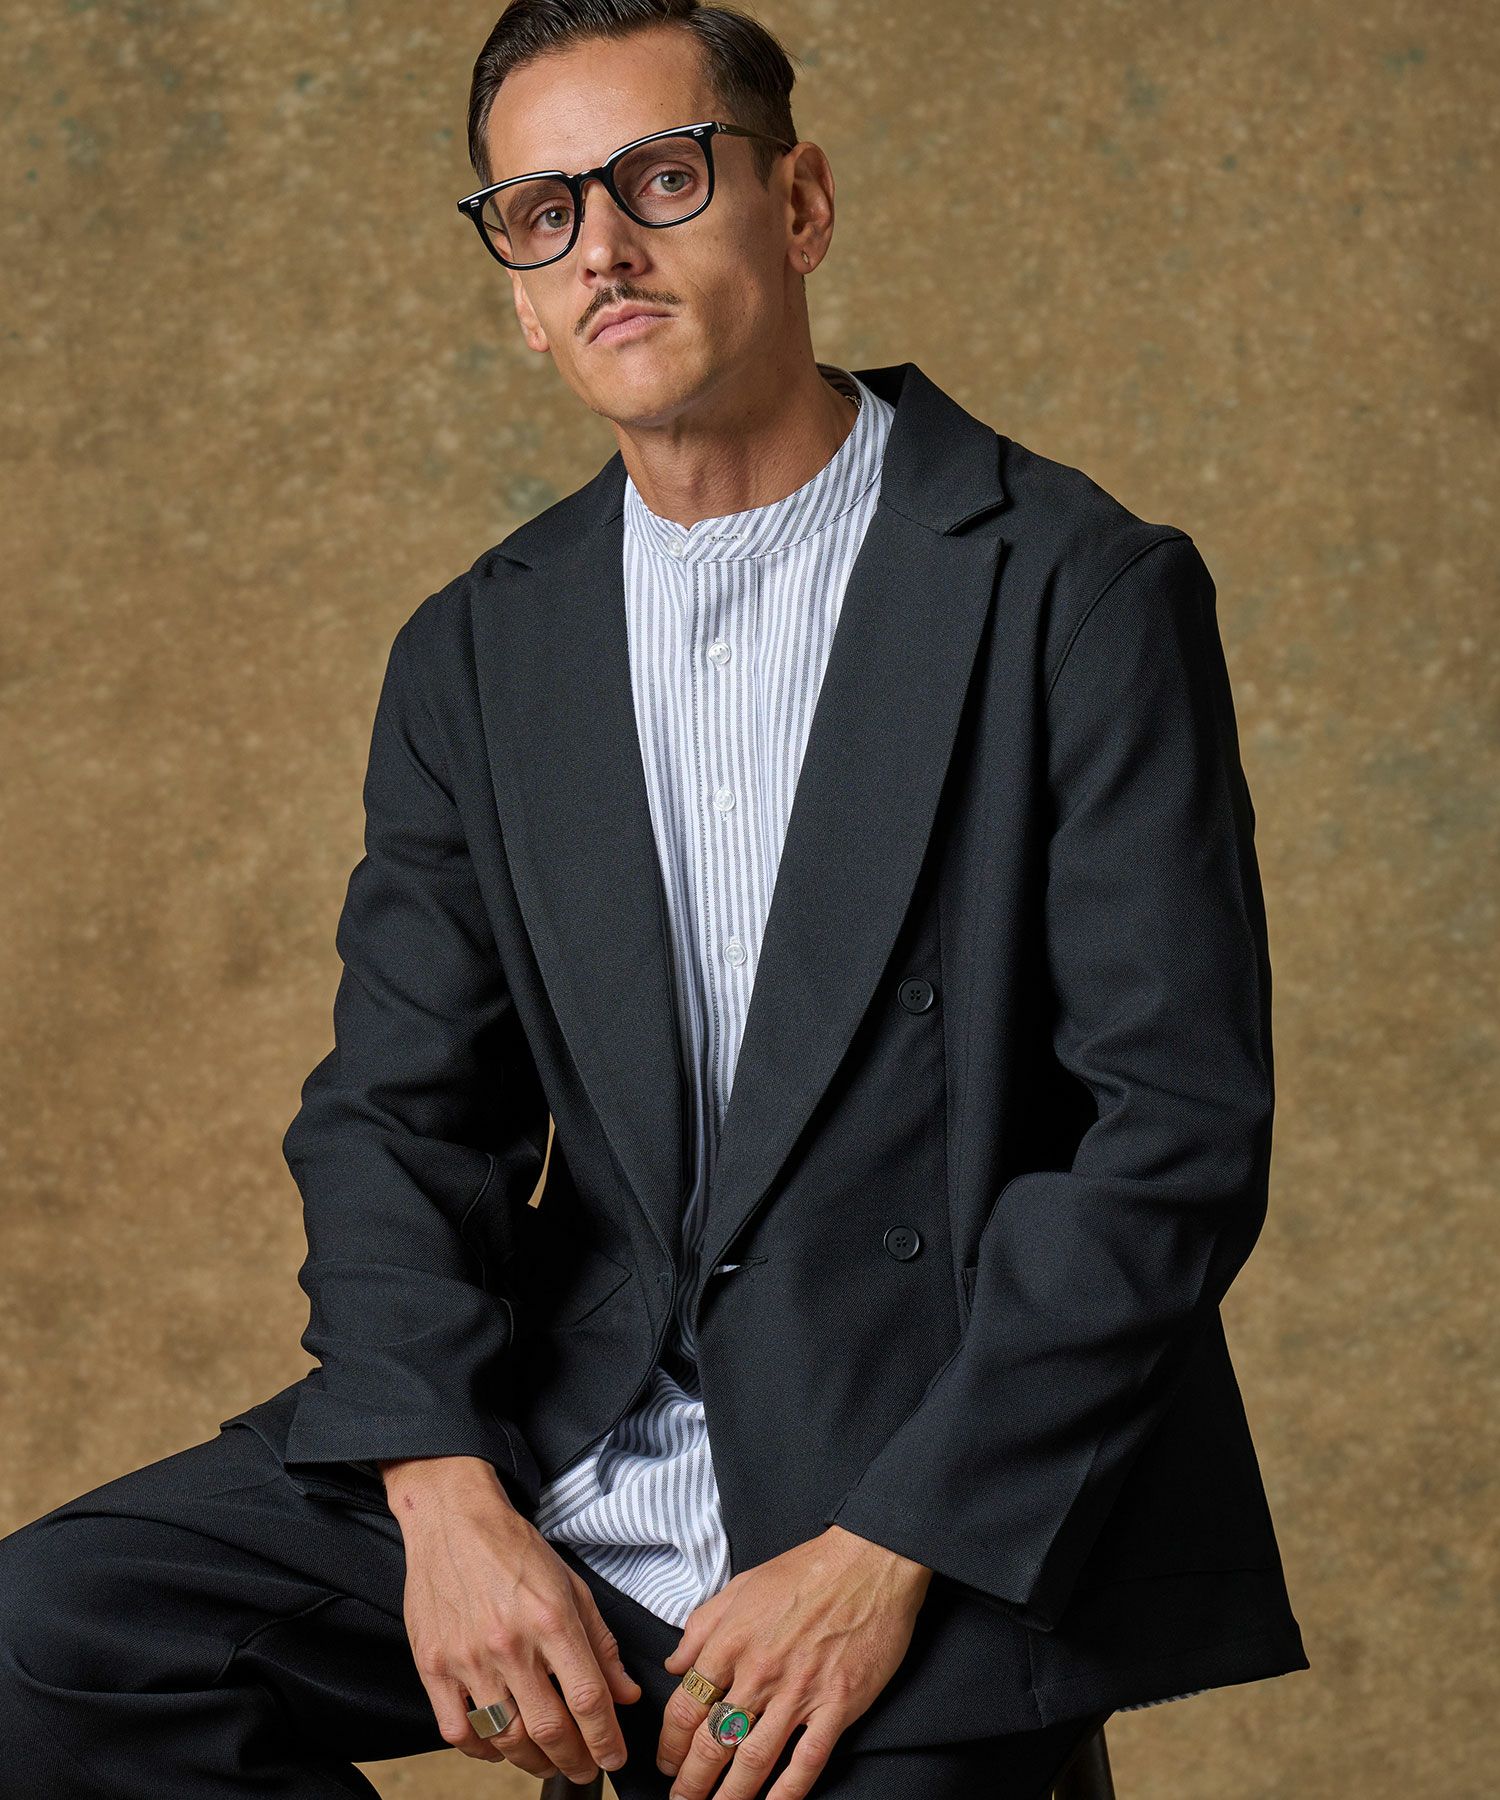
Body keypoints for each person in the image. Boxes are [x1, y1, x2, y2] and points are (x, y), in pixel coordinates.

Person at [0, 2, 1309, 1795]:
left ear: (801, 205)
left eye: (663, 178)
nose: (601, 245)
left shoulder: (1075, 590)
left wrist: (887, 1551)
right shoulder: (477, 650)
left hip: (910, 1487)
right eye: (542, 212)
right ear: (522, 297)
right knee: (54, 1646)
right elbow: (399, 1116)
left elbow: (1172, 1138)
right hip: (568, 1429)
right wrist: (444, 1495)